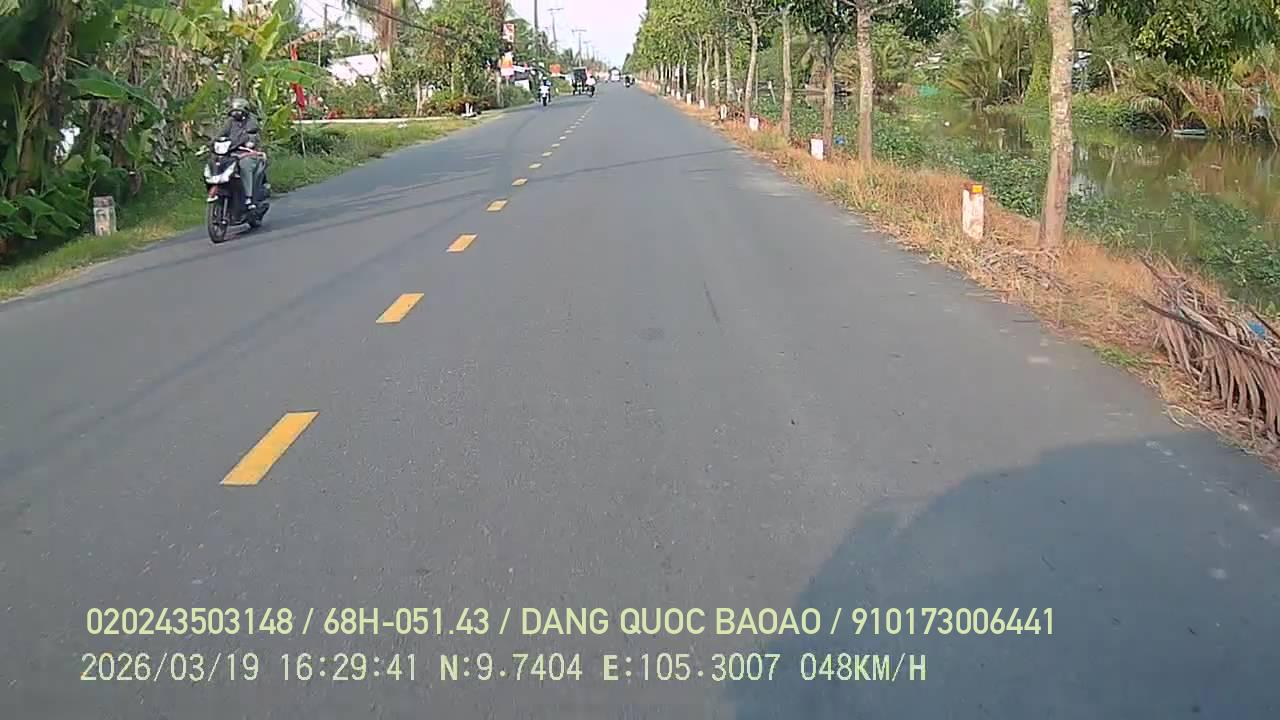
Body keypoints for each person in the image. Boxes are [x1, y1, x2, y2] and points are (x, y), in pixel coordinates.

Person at [220, 98, 265, 211]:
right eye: (234, 111)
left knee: (245, 165)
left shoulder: (251, 121)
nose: (236, 113)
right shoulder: (230, 122)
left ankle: (248, 197)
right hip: (231, 152)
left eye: (239, 111)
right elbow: (221, 134)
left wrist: (249, 141)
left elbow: (253, 136)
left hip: (247, 153)